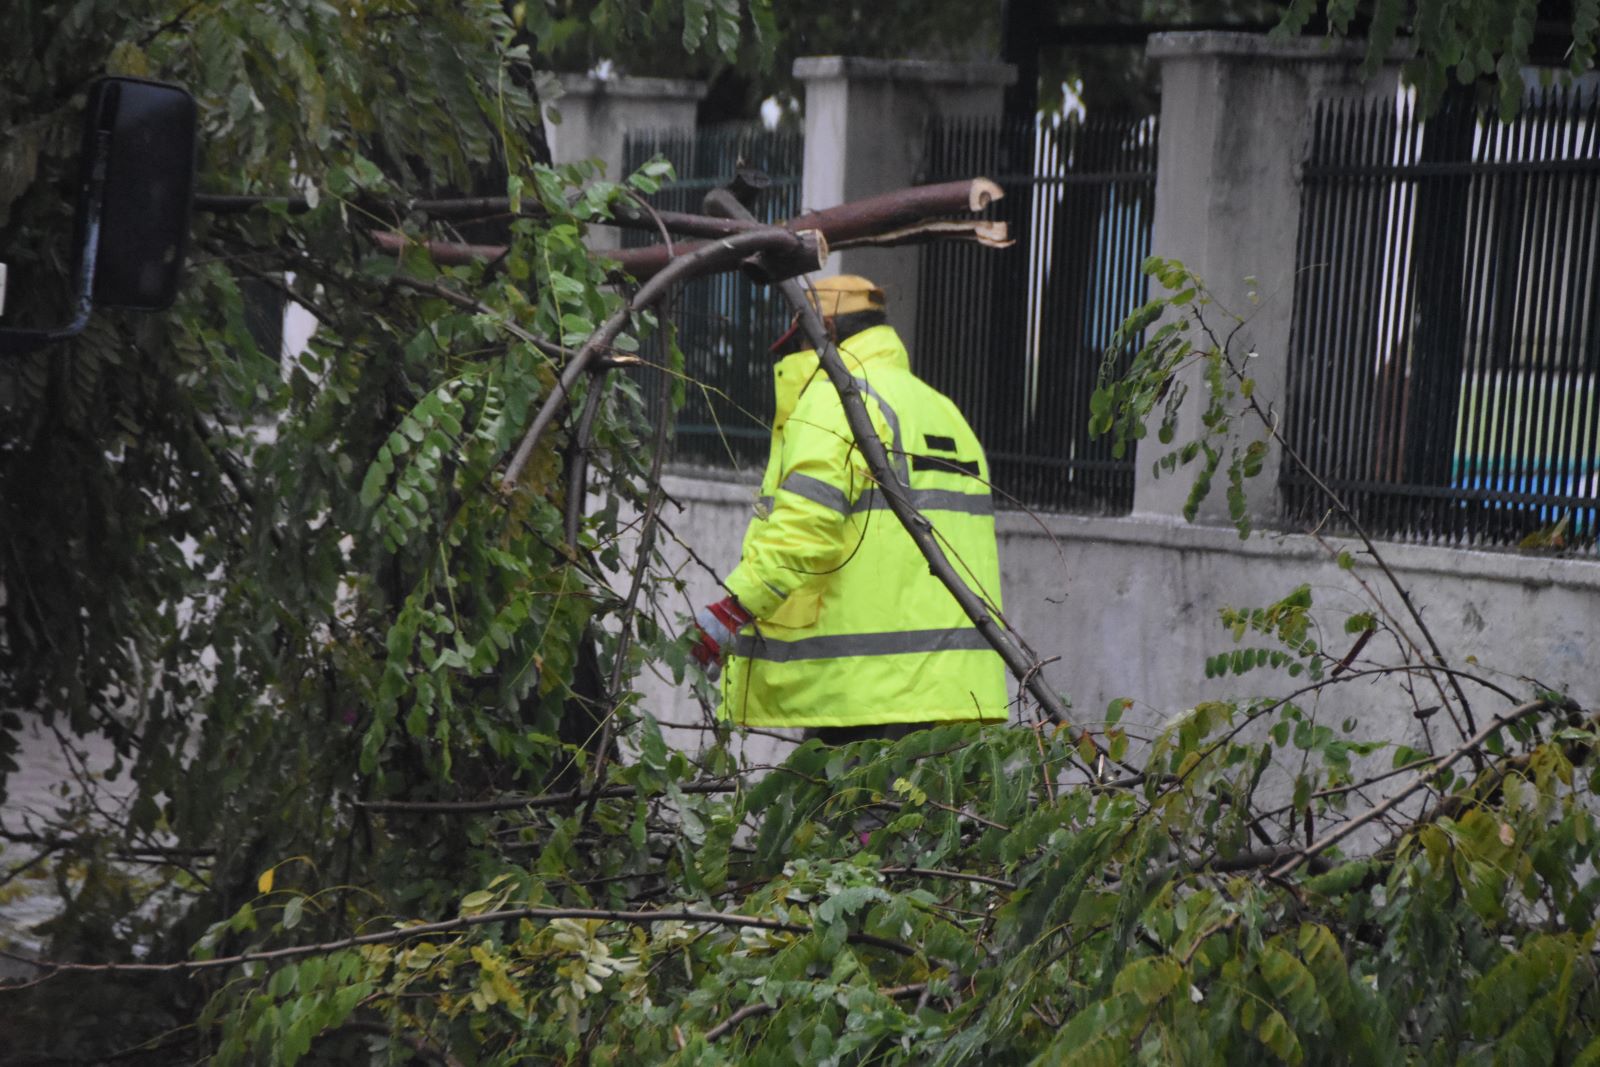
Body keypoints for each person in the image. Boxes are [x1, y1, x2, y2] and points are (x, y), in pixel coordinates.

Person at [690, 275, 1008, 743]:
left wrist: (729, 612)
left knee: (838, 814)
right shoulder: (941, 408)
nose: (796, 356)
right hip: (955, 691)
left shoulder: (836, 400)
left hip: (863, 695)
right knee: (927, 817)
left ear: (826, 334)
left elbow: (805, 531)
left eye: (798, 343)